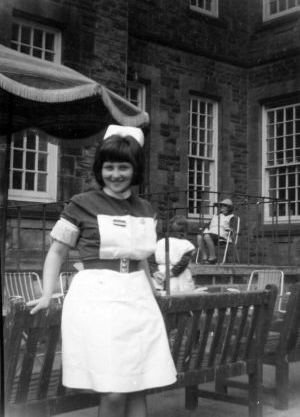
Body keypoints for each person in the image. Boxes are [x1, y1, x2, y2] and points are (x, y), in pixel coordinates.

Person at [27, 125, 177, 417]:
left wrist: (152, 291)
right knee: (114, 388)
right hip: (98, 299)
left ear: (136, 170)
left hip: (138, 299)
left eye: (124, 167)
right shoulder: (81, 204)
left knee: (138, 383)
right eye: (109, 167)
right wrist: (47, 294)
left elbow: (141, 258)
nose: (116, 174)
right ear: (100, 169)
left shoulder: (145, 208)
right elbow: (57, 252)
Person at [151, 215, 196, 294]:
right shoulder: (187, 245)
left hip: (160, 276)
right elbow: (182, 265)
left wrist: (156, 272)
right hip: (179, 278)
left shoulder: (159, 242)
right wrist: (168, 275)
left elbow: (151, 260)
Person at [196, 198, 235, 264]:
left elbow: (233, 229)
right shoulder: (215, 215)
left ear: (229, 208)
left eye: (224, 205)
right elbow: (207, 225)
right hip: (211, 233)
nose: (222, 207)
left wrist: (231, 234)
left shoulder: (232, 217)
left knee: (206, 236)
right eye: (221, 205)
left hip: (222, 235)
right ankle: (204, 257)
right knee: (199, 237)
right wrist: (202, 228)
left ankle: (212, 257)